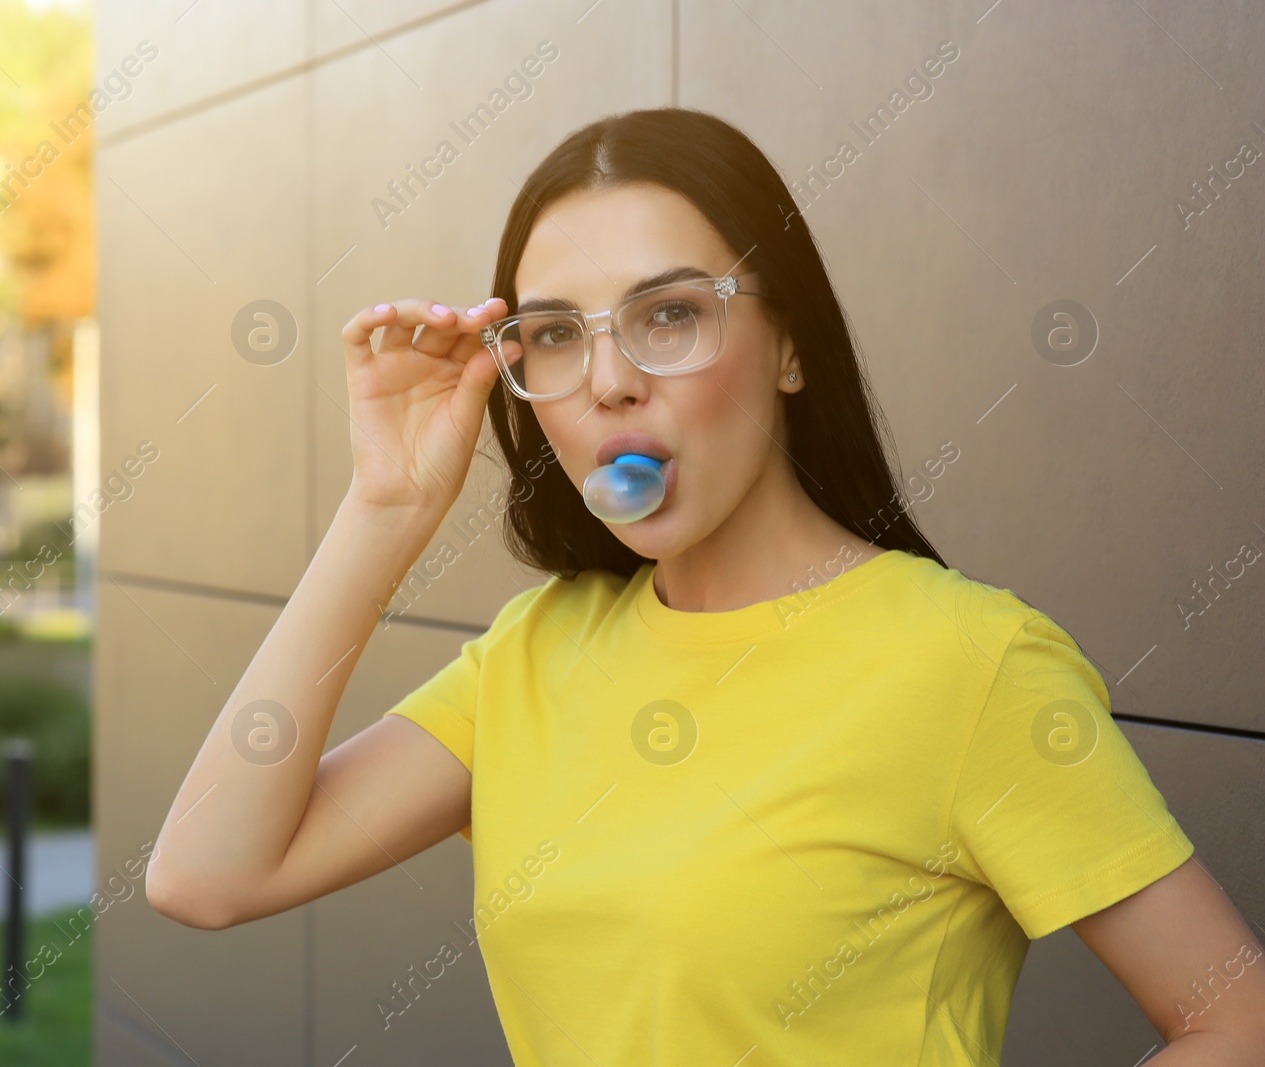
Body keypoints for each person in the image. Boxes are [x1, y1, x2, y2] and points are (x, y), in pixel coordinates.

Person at [146, 108, 1265, 1064]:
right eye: (556, 336)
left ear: (788, 343)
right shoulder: (535, 652)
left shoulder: (970, 662)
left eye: (669, 314)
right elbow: (205, 872)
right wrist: (383, 511)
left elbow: (1237, 1021)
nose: (612, 383)